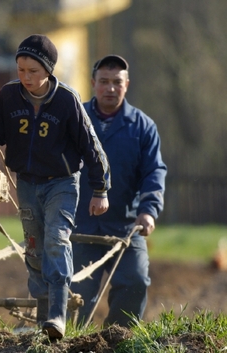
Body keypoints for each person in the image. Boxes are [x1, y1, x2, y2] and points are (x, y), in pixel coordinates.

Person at [0, 35, 111, 339]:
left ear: (48, 70)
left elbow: (92, 149)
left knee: (56, 242)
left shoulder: (67, 101)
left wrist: (100, 190)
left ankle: (58, 315)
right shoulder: (9, 96)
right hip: (26, 184)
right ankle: (43, 321)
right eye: (21, 70)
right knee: (34, 250)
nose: (25, 77)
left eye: (32, 71)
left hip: (61, 184)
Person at [70, 55, 167, 328]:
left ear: (127, 85)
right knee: (75, 293)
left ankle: (117, 339)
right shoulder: (76, 120)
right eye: (104, 82)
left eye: (116, 82)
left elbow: (154, 172)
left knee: (134, 281)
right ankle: (70, 343)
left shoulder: (143, 127)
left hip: (125, 225)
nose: (110, 88)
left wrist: (148, 212)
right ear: (93, 84)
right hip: (80, 225)